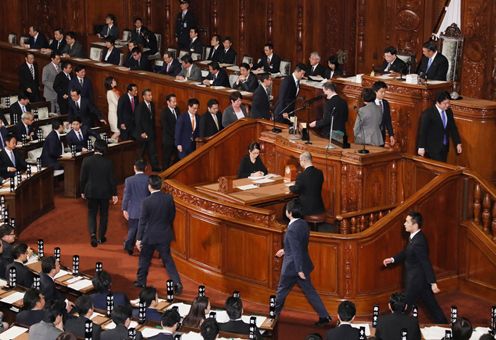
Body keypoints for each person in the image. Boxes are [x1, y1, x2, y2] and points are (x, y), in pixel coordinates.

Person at [382, 211, 448, 323]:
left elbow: (425, 262)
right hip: (419, 281)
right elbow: (407, 252)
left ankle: (394, 327)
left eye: (407, 222)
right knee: (432, 306)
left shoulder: (419, 241)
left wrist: (433, 282)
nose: (404, 224)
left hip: (415, 282)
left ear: (415, 224)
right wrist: (393, 259)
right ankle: (445, 326)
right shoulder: (415, 237)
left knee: (402, 307)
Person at [274, 199, 332, 326]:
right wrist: (285, 250)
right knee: (310, 291)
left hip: (292, 267)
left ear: (289, 213)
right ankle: (325, 316)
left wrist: (299, 270)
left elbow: (296, 251)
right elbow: (298, 245)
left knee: (281, 291)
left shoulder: (291, 230)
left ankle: (273, 316)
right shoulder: (304, 224)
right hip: (302, 264)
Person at [135, 175, 182, 294]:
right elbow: (172, 215)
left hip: (150, 236)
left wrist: (139, 239)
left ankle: (141, 282)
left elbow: (142, 221)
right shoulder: (168, 198)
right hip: (164, 234)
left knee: (144, 259)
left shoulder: (146, 202)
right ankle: (177, 283)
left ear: (149, 186)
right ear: (161, 185)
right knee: (167, 260)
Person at [80, 139, 118, 247]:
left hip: (91, 191)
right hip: (104, 192)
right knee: (104, 214)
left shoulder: (86, 160)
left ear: (94, 148)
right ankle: (101, 237)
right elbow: (112, 180)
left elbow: (82, 178)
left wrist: (82, 191)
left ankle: (93, 235)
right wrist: (115, 194)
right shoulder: (108, 162)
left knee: (91, 213)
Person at [417, 91, 462, 162]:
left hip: (444, 148)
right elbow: (423, 132)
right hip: (432, 149)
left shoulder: (449, 112)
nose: (447, 105)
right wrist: (421, 147)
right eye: (445, 103)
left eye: (448, 103)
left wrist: (458, 143)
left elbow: (453, 128)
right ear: (438, 102)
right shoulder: (428, 113)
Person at [122, 160, 149, 255]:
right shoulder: (149, 179)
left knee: (132, 229)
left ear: (134, 167)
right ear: (146, 168)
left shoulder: (129, 180)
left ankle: (129, 247)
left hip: (133, 210)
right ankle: (144, 247)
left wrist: (124, 208)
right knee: (145, 229)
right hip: (146, 210)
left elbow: (126, 196)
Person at [289, 152, 325, 216]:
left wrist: (290, 187)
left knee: (290, 205)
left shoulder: (302, 175)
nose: (300, 163)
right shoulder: (320, 173)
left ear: (304, 160)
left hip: (306, 208)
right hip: (319, 207)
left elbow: (296, 189)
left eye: (300, 160)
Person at [134, 88, 160, 171]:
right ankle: (139, 168)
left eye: (151, 95)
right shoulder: (140, 107)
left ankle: (155, 168)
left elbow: (152, 119)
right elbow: (137, 121)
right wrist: (141, 132)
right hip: (143, 133)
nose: (151, 97)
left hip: (151, 132)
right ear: (144, 97)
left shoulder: (151, 104)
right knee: (141, 152)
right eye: (149, 95)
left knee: (152, 151)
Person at [372, 81, 395, 146]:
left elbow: (388, 120)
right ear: (375, 91)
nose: (384, 94)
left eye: (385, 92)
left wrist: (391, 135)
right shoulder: (370, 103)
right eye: (381, 92)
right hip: (371, 136)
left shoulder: (385, 103)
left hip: (382, 136)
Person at [161, 93, 180, 168]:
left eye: (176, 101)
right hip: (168, 139)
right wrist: (175, 135)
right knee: (167, 158)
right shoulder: (164, 112)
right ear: (168, 102)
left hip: (176, 139)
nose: (175, 103)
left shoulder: (177, 109)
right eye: (173, 102)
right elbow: (166, 127)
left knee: (178, 156)